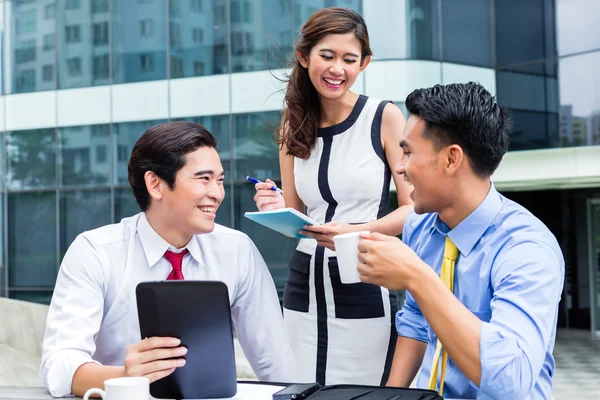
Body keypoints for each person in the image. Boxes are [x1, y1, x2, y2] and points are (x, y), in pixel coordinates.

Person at [40, 121, 297, 397]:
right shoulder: (96, 252)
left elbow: (275, 364)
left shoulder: (237, 250)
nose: (217, 193)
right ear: (155, 184)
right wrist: (125, 377)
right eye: (203, 178)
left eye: (219, 180)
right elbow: (58, 366)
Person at [357, 82, 565, 399]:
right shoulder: (419, 225)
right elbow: (415, 320)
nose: (400, 167)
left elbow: (510, 380)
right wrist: (390, 394)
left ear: (452, 159)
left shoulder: (528, 249)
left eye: (409, 152)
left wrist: (417, 277)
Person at [253, 8, 413, 386]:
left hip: (365, 278)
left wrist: (354, 231)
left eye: (349, 59)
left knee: (363, 389)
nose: (337, 68)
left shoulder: (384, 116)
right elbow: (296, 213)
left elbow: (414, 210)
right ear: (305, 57)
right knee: (301, 388)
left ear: (364, 63)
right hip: (303, 285)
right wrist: (275, 208)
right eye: (327, 55)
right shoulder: (293, 122)